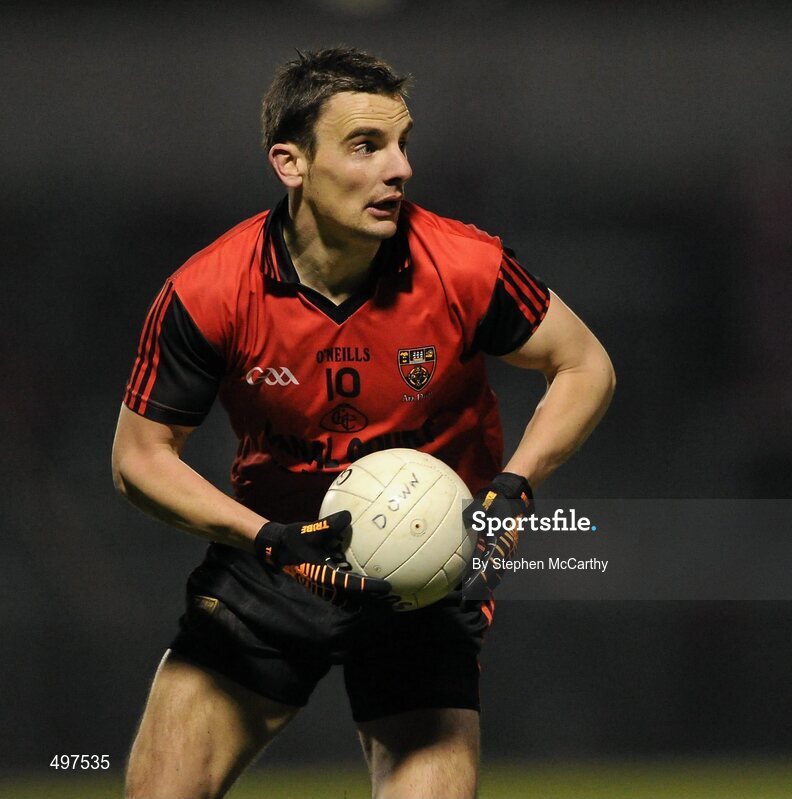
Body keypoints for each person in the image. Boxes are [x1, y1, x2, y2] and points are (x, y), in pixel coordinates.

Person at [112, 46, 614, 799]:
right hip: (275, 560)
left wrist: (514, 485)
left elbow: (584, 364)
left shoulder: (465, 265)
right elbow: (139, 459)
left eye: (402, 143)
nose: (400, 168)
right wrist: (266, 538)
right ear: (290, 163)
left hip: (425, 581)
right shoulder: (207, 291)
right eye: (366, 146)